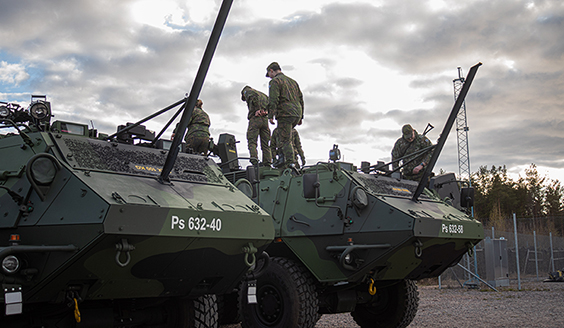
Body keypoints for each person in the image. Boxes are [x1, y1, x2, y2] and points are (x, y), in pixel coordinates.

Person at [265, 62, 304, 169]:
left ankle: (291, 164)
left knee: (285, 140)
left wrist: (270, 115)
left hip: (285, 113)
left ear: (271, 71)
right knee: (287, 137)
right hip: (296, 113)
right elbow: (301, 99)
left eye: (269, 74)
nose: (270, 77)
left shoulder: (275, 81)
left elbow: (273, 99)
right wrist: (301, 116)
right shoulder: (293, 82)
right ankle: (286, 160)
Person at [241, 85, 272, 165]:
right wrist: (267, 111)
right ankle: (267, 162)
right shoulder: (264, 95)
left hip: (255, 118)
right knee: (265, 143)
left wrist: (258, 109)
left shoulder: (247, 91)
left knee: (252, 141)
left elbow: (254, 96)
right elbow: (270, 102)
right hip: (265, 120)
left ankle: (254, 161)